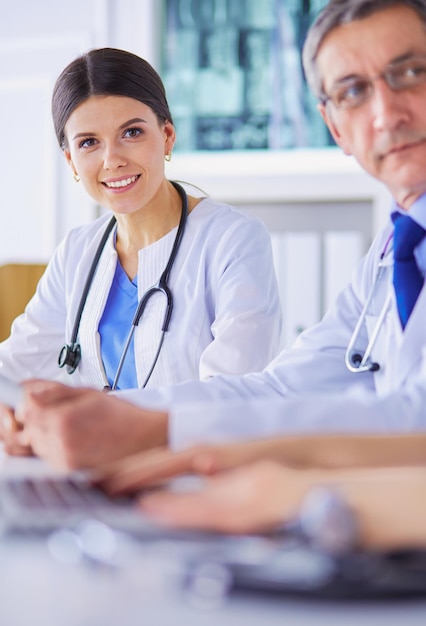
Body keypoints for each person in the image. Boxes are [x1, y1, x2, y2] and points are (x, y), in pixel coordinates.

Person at [7, 0, 426, 469]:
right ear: (335, 128)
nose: (386, 114)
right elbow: (279, 388)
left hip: (185, 465)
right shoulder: (392, 252)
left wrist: (139, 429)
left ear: (167, 137)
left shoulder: (231, 239)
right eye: (353, 92)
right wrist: (97, 418)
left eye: (410, 73)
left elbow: (408, 415)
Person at [0, 48, 282, 446]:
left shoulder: (232, 240)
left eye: (132, 133)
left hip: (195, 470)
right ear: (69, 160)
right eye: (88, 143)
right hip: (90, 470)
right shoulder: (78, 252)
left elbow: (234, 393)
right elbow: (12, 368)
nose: (112, 159)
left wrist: (111, 422)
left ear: (166, 136)